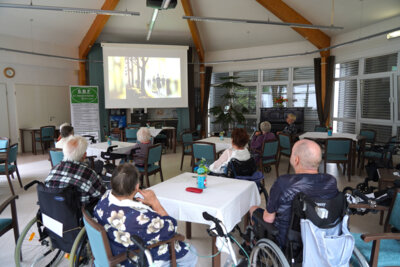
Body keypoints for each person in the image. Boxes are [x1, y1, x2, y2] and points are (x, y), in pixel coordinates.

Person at [94, 163, 197, 267]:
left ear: (112, 183)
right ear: (137, 186)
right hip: (131, 258)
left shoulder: (104, 198)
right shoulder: (139, 218)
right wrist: (155, 202)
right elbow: (171, 228)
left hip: (115, 247)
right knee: (191, 252)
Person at [250, 139, 338, 248]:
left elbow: (268, 219)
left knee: (253, 209)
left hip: (288, 242)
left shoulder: (283, 183)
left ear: (296, 160)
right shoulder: (331, 181)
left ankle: (255, 244)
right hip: (319, 239)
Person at [45, 136, 106, 207]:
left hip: (55, 212)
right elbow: (103, 195)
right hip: (81, 214)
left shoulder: (53, 169)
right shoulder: (88, 173)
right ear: (84, 155)